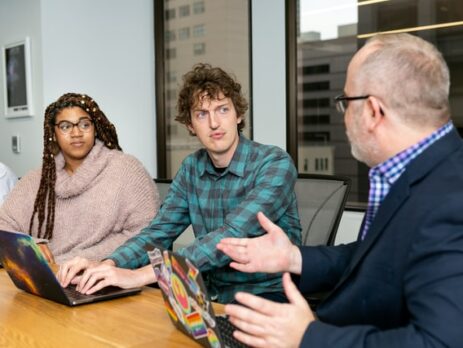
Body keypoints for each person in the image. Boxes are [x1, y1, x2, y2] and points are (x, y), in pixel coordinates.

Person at [216, 33, 463, 347]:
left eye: (346, 103)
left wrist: (309, 337)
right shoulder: (412, 170)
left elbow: (439, 343)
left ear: (374, 111)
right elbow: (375, 257)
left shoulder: (452, 198)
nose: (344, 117)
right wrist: (292, 258)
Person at [57, 64, 302, 304]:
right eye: (202, 114)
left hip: (267, 294)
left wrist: (139, 276)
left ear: (238, 115)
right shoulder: (191, 168)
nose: (214, 123)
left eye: (223, 110)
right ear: (190, 125)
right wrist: (110, 264)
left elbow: (231, 237)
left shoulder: (275, 164)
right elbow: (158, 232)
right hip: (208, 291)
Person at [0, 93, 159, 264]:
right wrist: (31, 246)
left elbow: (148, 234)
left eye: (84, 124)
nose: (76, 133)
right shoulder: (37, 180)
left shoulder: (127, 170)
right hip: (48, 277)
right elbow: (4, 224)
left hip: (108, 276)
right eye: (66, 126)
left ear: (95, 128)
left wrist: (83, 260)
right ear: (53, 132)